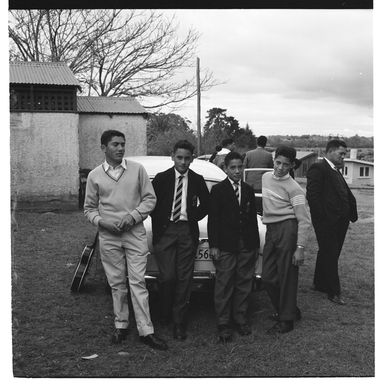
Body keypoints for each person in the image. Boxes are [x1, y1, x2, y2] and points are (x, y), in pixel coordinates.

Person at [84, 130, 167, 350]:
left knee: (138, 281)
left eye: (123, 144)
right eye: (115, 145)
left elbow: (150, 199)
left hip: (134, 233)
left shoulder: (137, 170)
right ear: (104, 148)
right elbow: (89, 209)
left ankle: (146, 330)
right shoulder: (94, 176)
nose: (121, 148)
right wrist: (103, 223)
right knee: (116, 283)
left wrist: (133, 217)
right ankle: (121, 325)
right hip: (109, 236)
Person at [151, 140, 209, 340]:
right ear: (172, 156)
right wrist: (160, 222)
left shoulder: (197, 179)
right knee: (168, 277)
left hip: (186, 231)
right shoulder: (161, 178)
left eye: (187, 158)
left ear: (192, 158)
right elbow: (151, 203)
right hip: (165, 231)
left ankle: (179, 322)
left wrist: (192, 216)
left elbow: (206, 204)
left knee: (185, 279)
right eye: (179, 157)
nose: (183, 162)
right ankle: (164, 312)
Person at [208, 152, 260, 343]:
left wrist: (254, 245)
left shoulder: (248, 189)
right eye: (233, 168)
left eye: (240, 167)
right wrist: (214, 245)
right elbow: (213, 220)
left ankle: (240, 318)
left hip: (246, 244)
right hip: (226, 245)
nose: (237, 171)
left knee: (244, 283)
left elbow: (253, 220)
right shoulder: (218, 190)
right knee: (224, 284)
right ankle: (223, 323)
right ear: (226, 169)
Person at [261, 145, 311, 334]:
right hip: (271, 231)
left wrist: (300, 247)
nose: (280, 167)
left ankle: (286, 320)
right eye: (278, 162)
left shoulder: (295, 188)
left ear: (292, 166)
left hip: (288, 230)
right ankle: (288, 310)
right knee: (267, 277)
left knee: (287, 276)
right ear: (273, 160)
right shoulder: (266, 177)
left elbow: (304, 221)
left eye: (286, 165)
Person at [306, 139, 358, 305]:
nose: (344, 157)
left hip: (340, 221)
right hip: (327, 221)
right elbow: (313, 197)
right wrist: (323, 219)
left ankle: (319, 283)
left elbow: (343, 193)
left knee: (328, 252)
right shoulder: (318, 168)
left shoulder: (335, 169)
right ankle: (334, 292)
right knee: (330, 253)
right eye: (341, 153)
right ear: (329, 151)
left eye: (344, 154)